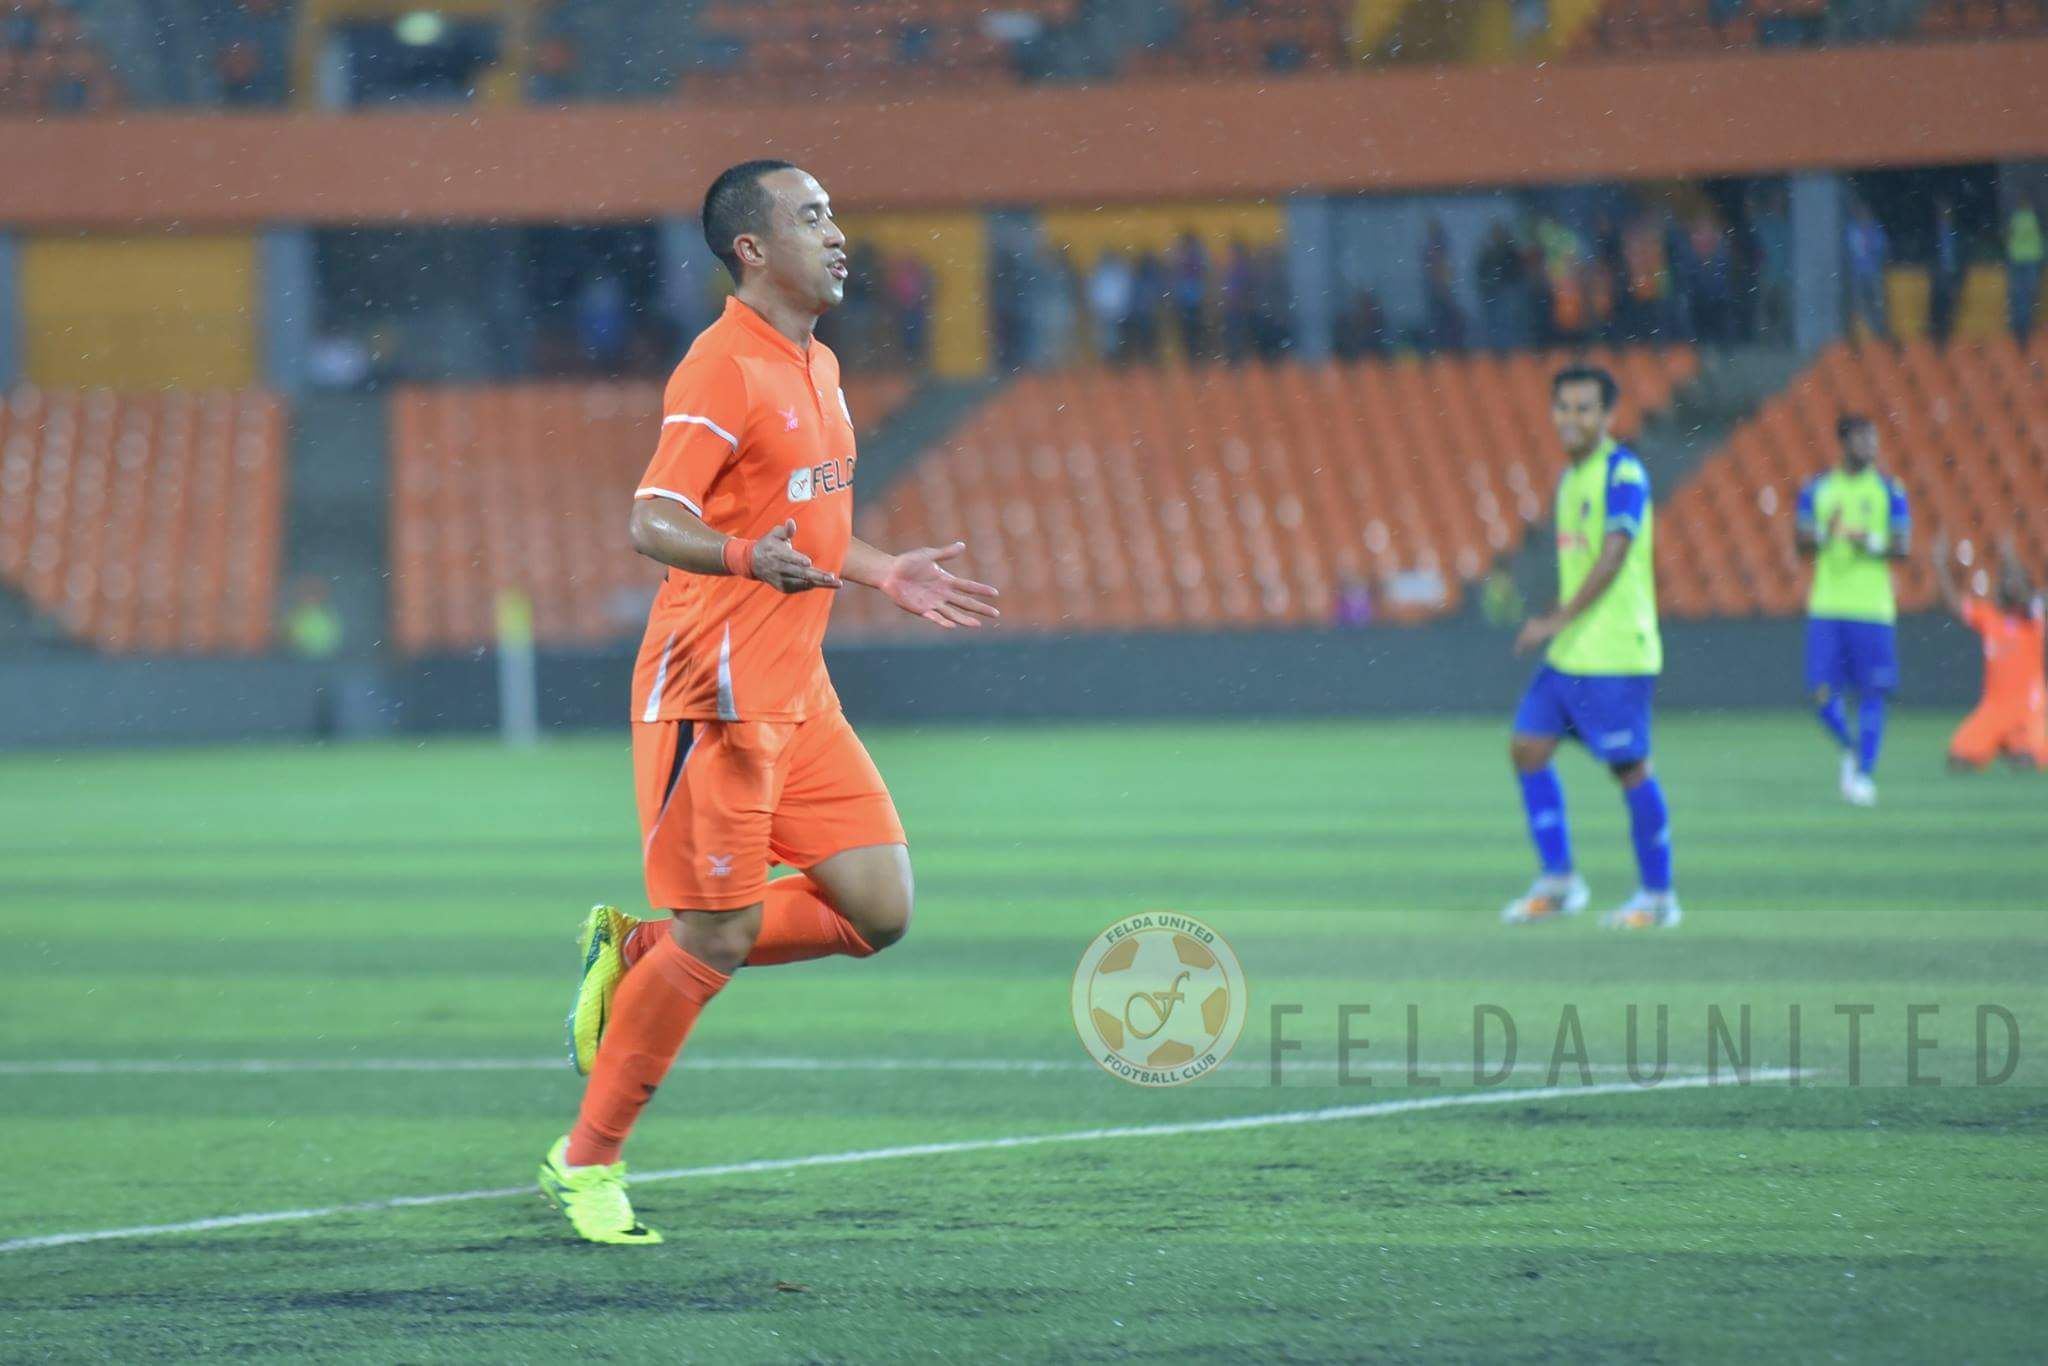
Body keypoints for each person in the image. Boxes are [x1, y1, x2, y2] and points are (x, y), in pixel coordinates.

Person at [537, 160, 1001, 1245]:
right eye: (810, 217)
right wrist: (745, 556)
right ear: (751, 248)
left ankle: (644, 947)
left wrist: (879, 569)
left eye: (834, 211)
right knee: (725, 933)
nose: (838, 233)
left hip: (801, 688)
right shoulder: (719, 370)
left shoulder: (818, 361)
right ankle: (585, 1161)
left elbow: (807, 517)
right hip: (716, 692)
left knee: (876, 907)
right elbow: (652, 518)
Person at [1502, 366, 1678, 931]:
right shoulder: (1569, 479)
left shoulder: (1621, 472)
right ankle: (1559, 882)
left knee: (1630, 769)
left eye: (1585, 409)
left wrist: (1554, 620)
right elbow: (1580, 564)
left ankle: (1658, 896)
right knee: (1528, 748)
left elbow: (1614, 555)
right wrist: (1557, 627)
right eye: (1564, 408)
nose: (1572, 419)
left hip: (1616, 652)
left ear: (1607, 417)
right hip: (1573, 652)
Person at [1796, 415, 1910, 807]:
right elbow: (1802, 543)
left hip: (1873, 608)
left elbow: (1902, 547)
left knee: (1872, 694)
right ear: (1843, 442)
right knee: (1820, 694)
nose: (1870, 447)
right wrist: (1829, 532)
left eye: (1873, 440)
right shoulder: (1818, 489)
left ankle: (1863, 774)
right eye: (1862, 439)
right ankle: (1851, 749)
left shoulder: (1889, 490)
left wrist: (1870, 542)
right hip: (1827, 606)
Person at [1933, 533, 2046, 772]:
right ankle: (2002, 744)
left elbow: (2029, 597)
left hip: (2028, 710)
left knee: (2027, 761)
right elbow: (1955, 604)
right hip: (1993, 708)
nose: (2011, 584)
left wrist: (2011, 558)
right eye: (2006, 579)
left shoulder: (2034, 620)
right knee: (1959, 760)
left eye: (2016, 580)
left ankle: (2014, 746)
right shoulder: (1990, 618)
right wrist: (1940, 564)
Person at [2007, 197, 2043, 341]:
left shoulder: (2016, 218)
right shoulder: (2033, 217)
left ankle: (2020, 325)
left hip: (2019, 258)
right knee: (2026, 293)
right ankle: (2023, 325)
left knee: (2019, 294)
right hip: (2027, 259)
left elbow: (2009, 236)